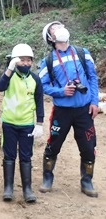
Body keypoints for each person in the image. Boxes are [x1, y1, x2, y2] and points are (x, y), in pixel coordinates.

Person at [39, 21, 99, 197]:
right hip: (62, 111)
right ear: (50, 38)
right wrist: (61, 91)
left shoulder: (82, 53)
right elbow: (42, 86)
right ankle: (47, 178)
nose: (59, 29)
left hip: (84, 110)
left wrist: (94, 102)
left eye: (60, 25)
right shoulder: (48, 61)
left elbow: (93, 77)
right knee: (53, 145)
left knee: (88, 147)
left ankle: (86, 182)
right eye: (54, 28)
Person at [0, 44, 44, 203]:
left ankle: (27, 189)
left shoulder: (35, 79)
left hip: (26, 125)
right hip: (9, 123)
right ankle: (8, 188)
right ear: (15, 61)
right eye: (21, 60)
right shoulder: (9, 76)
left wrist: (39, 123)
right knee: (9, 155)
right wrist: (9, 69)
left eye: (28, 60)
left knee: (26, 156)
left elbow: (39, 101)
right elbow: (0, 87)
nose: (25, 63)